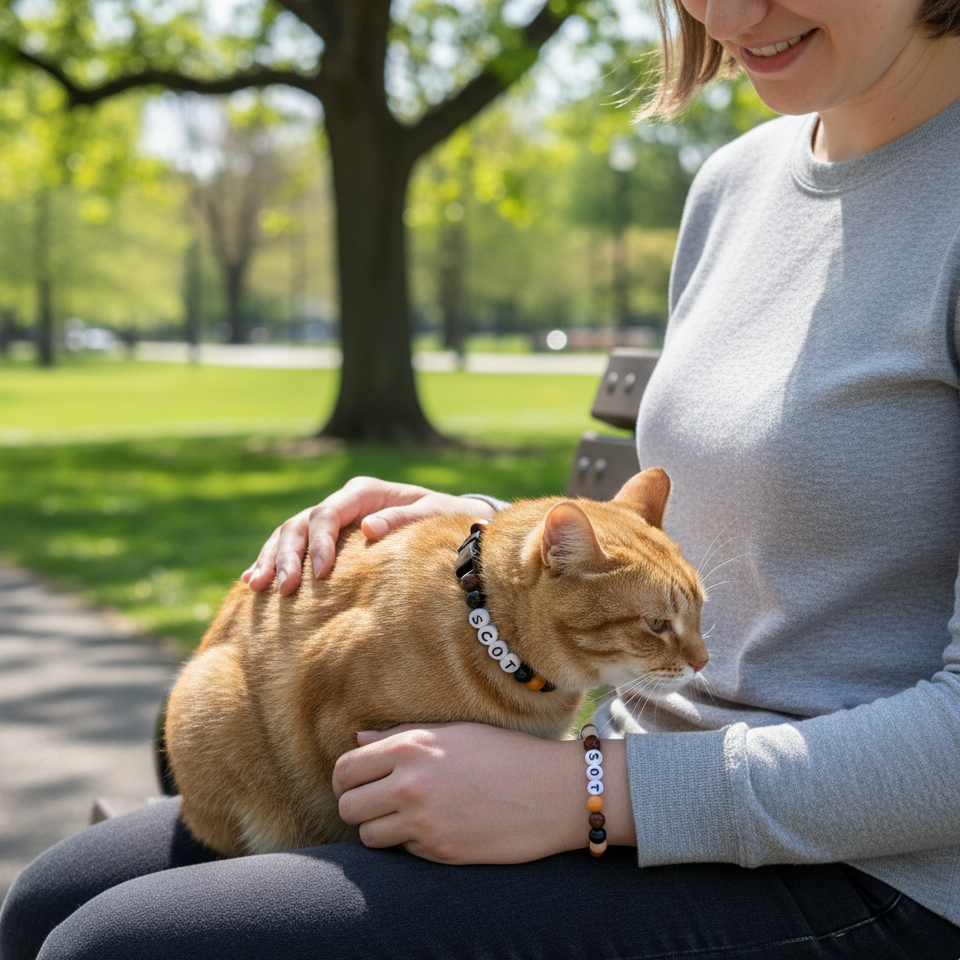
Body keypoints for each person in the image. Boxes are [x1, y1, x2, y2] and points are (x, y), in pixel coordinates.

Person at [3, 0, 960, 956]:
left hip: (867, 871)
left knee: (118, 948)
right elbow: (727, 523)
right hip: (634, 767)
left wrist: (590, 793)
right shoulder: (738, 183)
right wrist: (480, 547)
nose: (729, 14)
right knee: (52, 900)